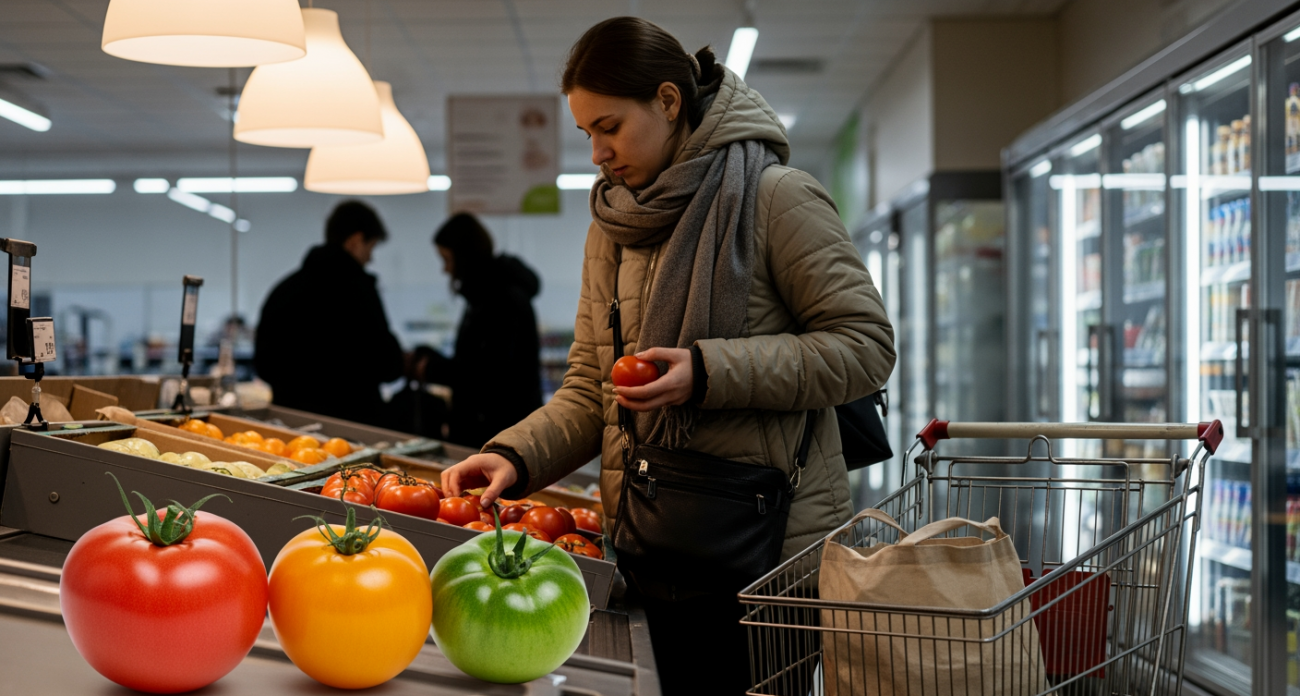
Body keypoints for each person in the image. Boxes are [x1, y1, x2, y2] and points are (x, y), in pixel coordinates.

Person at [439, 17, 895, 695]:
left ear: (668, 101)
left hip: (768, 557)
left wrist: (707, 372)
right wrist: (515, 454)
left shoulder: (776, 198)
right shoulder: (614, 226)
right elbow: (592, 385)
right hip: (654, 542)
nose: (596, 152)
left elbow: (865, 347)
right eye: (587, 133)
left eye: (610, 126)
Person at [254, 201, 405, 427]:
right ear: (355, 241)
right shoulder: (359, 291)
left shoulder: (284, 290)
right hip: (353, 426)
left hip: (293, 426)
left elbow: (264, 365)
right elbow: (387, 363)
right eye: (370, 247)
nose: (370, 258)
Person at [413, 213, 543, 448]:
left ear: (464, 256)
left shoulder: (500, 300)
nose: (445, 269)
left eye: (447, 259)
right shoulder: (491, 296)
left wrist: (433, 368)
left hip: (498, 436)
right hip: (499, 431)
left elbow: (489, 376)